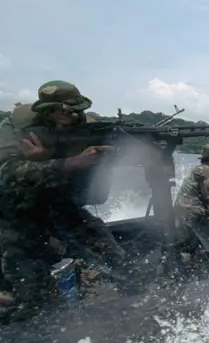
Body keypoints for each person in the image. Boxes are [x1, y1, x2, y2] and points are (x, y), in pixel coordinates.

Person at [0, 80, 125, 310]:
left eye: (80, 110)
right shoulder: (16, 129)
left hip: (59, 205)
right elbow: (6, 176)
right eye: (69, 111)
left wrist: (106, 159)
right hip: (17, 216)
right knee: (33, 293)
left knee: (112, 253)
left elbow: (95, 190)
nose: (77, 117)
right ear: (48, 111)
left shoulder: (88, 130)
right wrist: (66, 163)